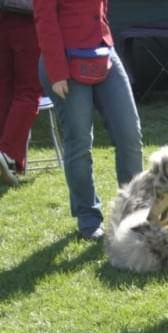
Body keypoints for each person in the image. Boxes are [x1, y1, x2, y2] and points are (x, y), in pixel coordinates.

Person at [33, 0, 143, 240]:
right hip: (65, 59)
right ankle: (88, 218)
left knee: (129, 134)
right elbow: (46, 19)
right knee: (80, 142)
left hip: (103, 51)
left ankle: (134, 214)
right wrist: (57, 71)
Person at [0, 9, 42, 186]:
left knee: (4, 92)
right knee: (29, 92)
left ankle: (7, 159)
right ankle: (7, 155)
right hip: (28, 19)